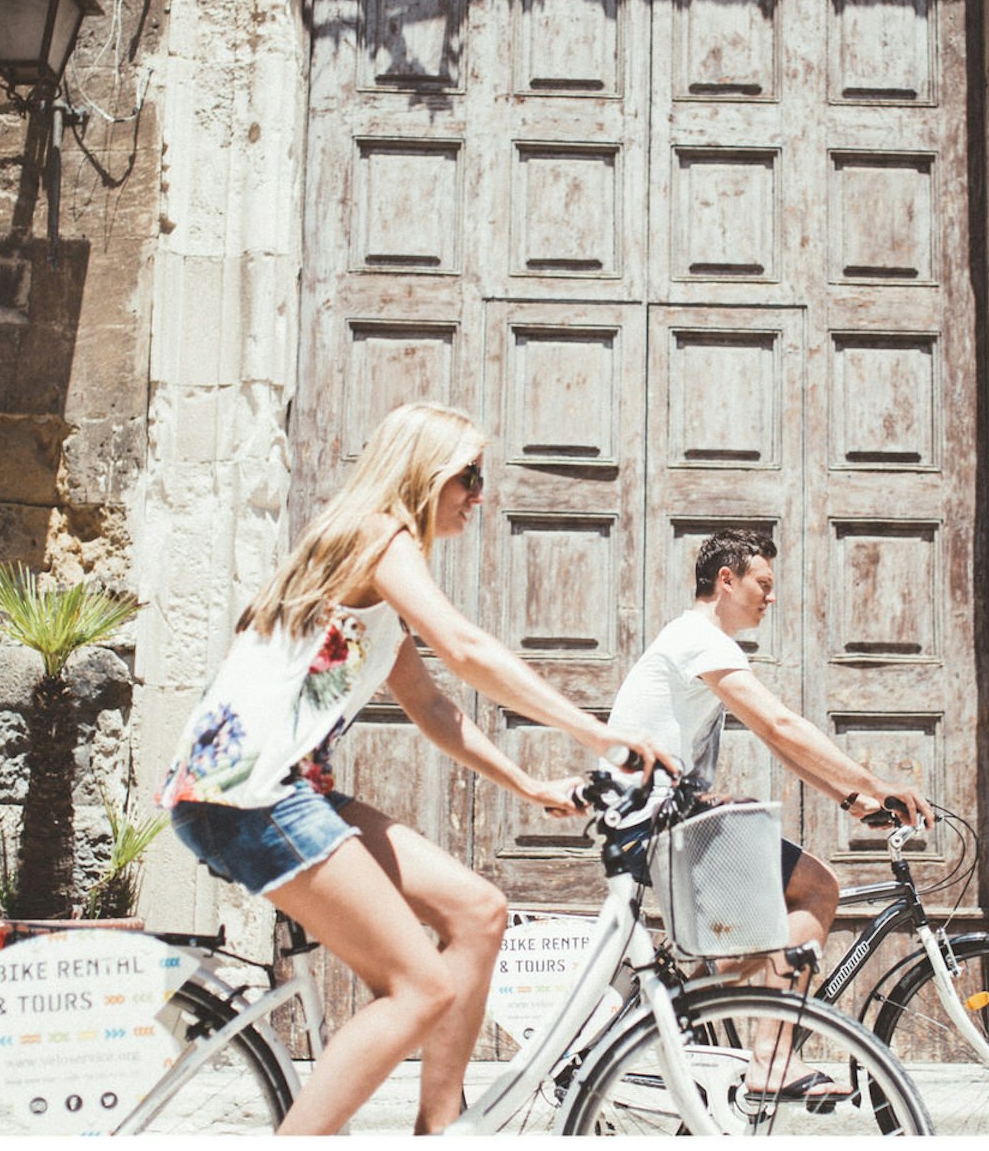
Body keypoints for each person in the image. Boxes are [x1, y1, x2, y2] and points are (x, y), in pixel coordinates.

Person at [158, 402, 676, 1136]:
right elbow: (463, 647)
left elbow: (434, 711)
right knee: (419, 987)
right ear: (425, 474)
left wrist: (528, 784)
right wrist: (601, 735)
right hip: (246, 795)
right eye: (468, 476)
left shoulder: (371, 574)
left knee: (477, 911)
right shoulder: (377, 534)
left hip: (282, 792)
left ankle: (442, 1129)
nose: (479, 493)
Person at [605, 527, 933, 1096]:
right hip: (652, 822)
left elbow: (777, 741)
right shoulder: (701, 639)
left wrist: (852, 797)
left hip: (647, 819)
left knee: (760, 922)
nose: (771, 596)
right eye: (763, 582)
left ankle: (708, 996)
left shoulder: (692, 641)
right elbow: (778, 724)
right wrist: (876, 782)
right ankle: (770, 1061)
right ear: (726, 580)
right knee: (816, 890)